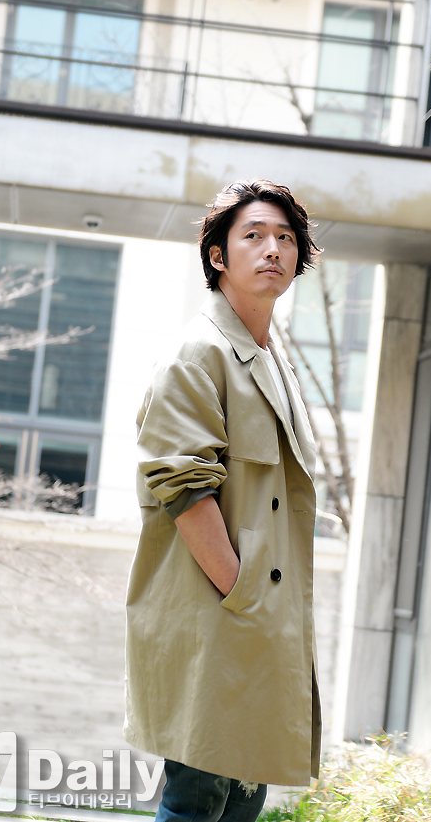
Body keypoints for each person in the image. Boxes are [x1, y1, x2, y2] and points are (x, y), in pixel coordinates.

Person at [124, 179, 322, 821]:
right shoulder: (198, 352)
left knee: (242, 802)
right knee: (197, 800)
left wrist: (260, 608)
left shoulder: (271, 360)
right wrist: (243, 592)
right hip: (219, 618)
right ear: (218, 255)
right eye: (254, 235)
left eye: (286, 237)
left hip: (258, 623)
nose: (274, 249)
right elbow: (183, 488)